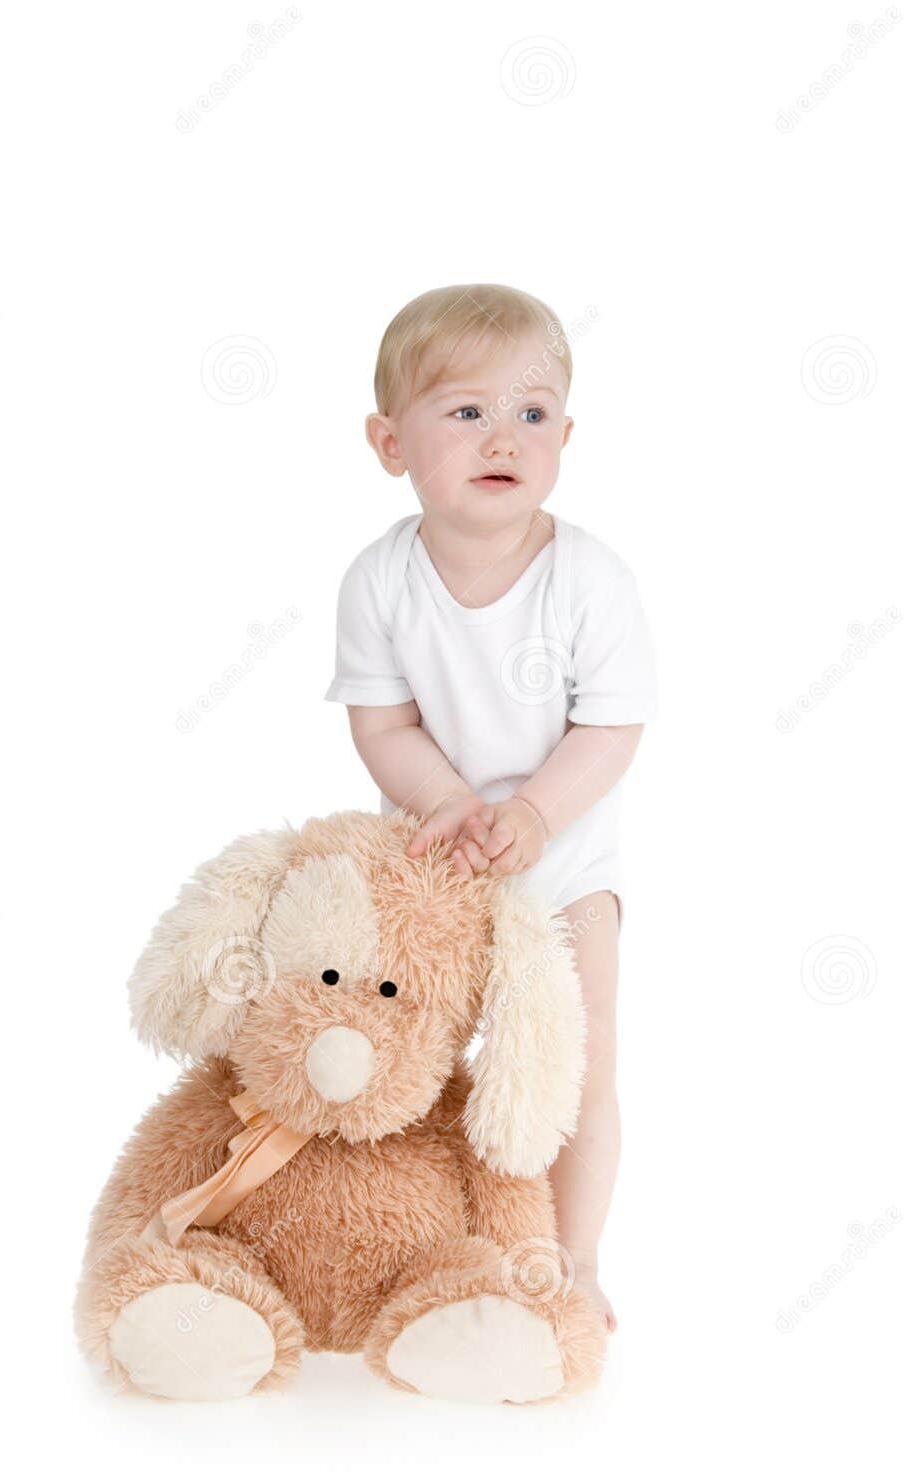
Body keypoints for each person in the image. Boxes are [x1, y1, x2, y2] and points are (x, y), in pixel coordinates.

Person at [325, 283, 658, 1332]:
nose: (500, 434)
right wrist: (455, 804)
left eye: (529, 411)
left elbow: (608, 728)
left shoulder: (588, 579)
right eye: (463, 411)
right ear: (389, 442)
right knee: (408, 1049)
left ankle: (573, 1255)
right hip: (430, 857)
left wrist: (531, 819)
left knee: (580, 1055)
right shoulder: (380, 580)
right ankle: (412, 1236)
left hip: (561, 865)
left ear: (563, 433)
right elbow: (382, 727)